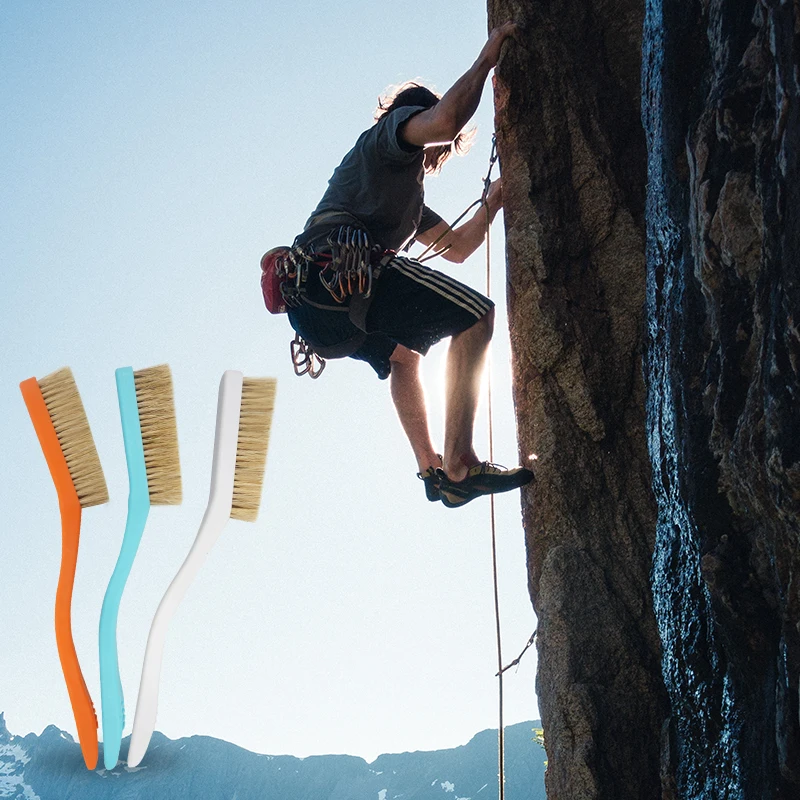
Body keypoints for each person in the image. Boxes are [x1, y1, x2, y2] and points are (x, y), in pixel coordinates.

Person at [267, 22, 533, 507]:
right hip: (339, 271)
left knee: (404, 358)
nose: (440, 152)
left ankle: (432, 470)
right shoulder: (389, 135)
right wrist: (485, 61)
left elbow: (455, 247)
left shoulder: (409, 199)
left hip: (320, 314)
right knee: (477, 316)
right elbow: (447, 120)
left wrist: (492, 204)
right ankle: (460, 463)